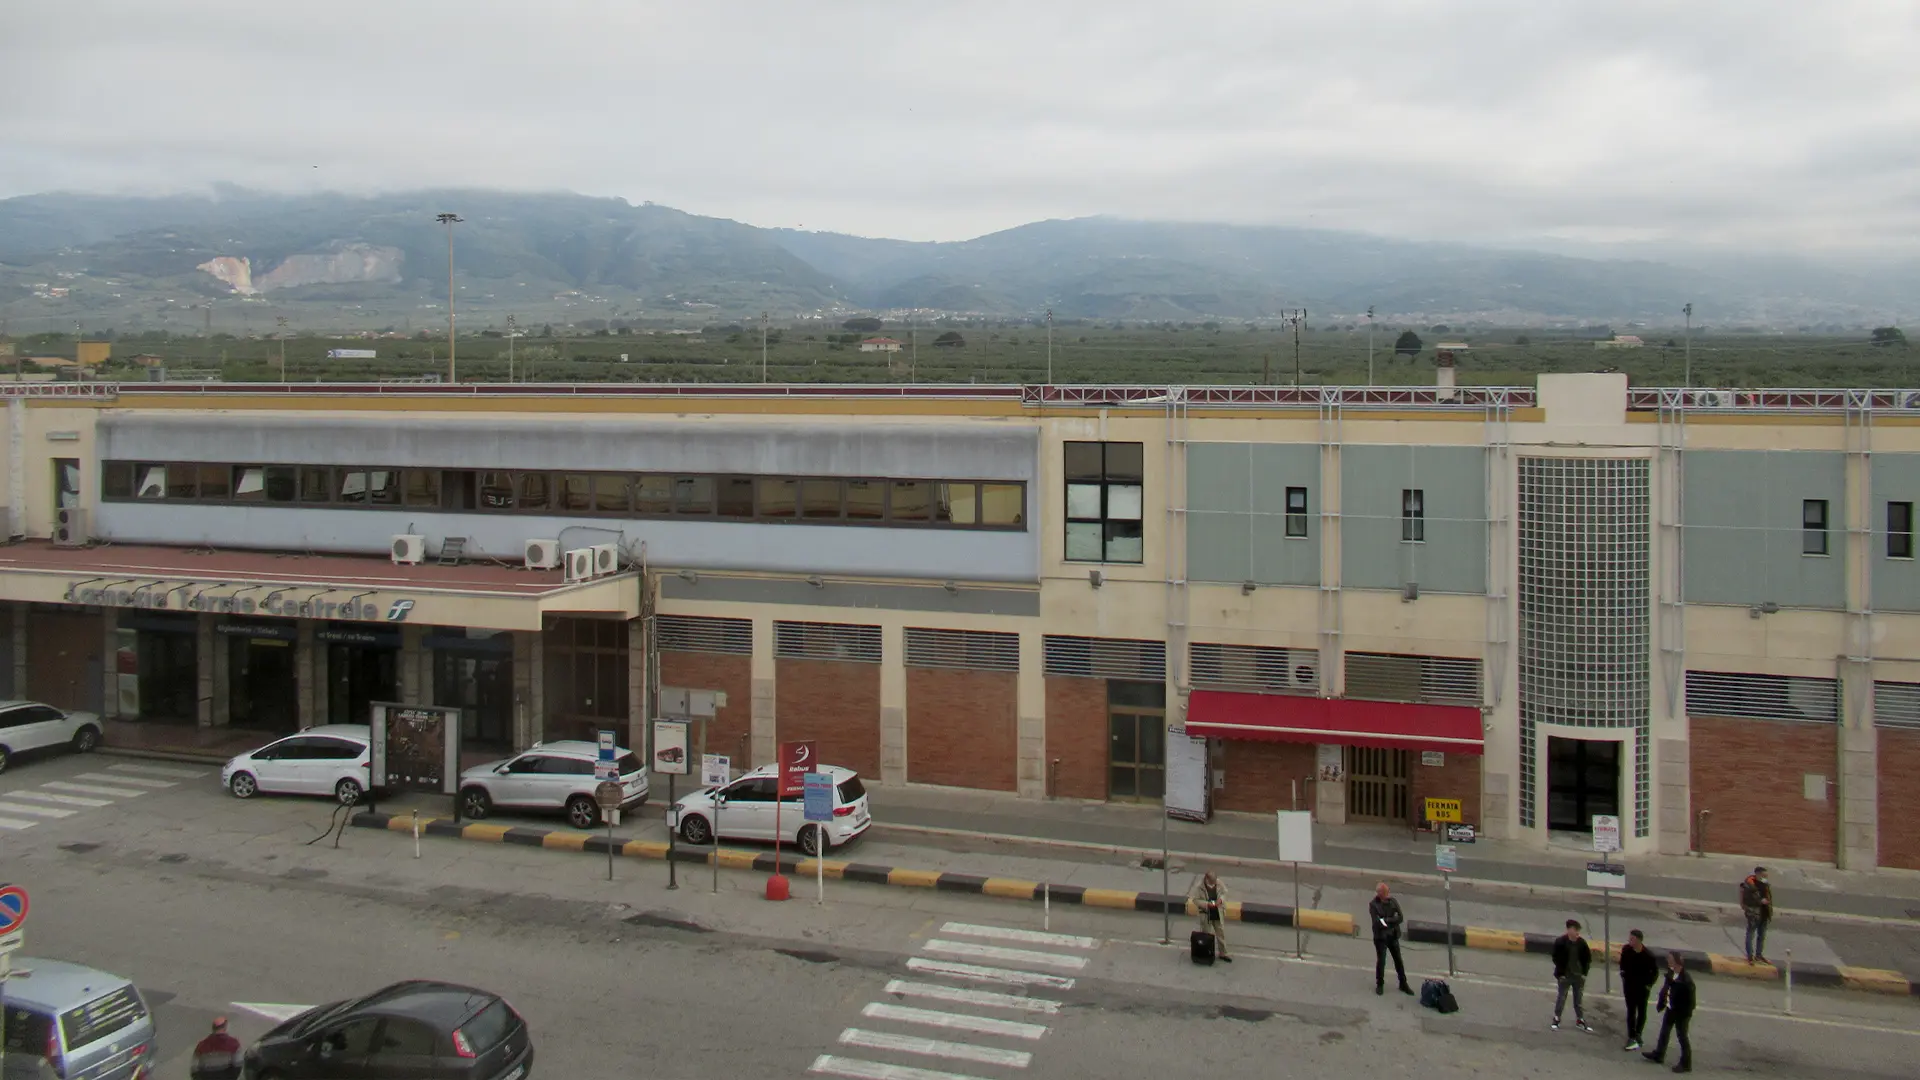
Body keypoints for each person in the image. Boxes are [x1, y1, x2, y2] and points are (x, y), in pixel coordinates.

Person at [1644, 951, 1697, 1073]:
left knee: (1682, 1036)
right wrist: (1662, 1001)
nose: (1668, 961)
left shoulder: (1686, 980)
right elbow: (1667, 988)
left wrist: (1684, 1014)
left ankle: (1686, 1063)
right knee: (1664, 1032)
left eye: (1670, 959)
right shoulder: (1671, 973)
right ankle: (1659, 1054)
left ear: (1677, 962)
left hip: (1681, 1013)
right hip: (1671, 1008)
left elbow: (1691, 1002)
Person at [1367, 882, 1414, 996]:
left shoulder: (1393, 901)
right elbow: (1378, 923)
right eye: (1385, 892)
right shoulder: (1374, 905)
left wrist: (1387, 920)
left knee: (1398, 960)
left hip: (1393, 936)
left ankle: (1403, 983)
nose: (1388, 894)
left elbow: (1400, 917)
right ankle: (1380, 984)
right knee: (1381, 961)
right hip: (1381, 938)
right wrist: (1391, 921)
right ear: (1380, 894)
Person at [1619, 929, 1659, 1051]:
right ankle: (1631, 1036)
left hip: (1642, 988)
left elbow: (1655, 973)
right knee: (1631, 1011)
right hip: (1629, 986)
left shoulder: (1648, 956)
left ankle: (1638, 1033)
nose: (1629, 941)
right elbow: (1622, 964)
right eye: (1630, 938)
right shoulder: (1626, 950)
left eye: (1632, 939)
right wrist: (1623, 974)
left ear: (1639, 941)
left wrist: (1649, 985)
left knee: (1642, 1011)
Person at [1550, 918, 1593, 1032]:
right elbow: (1555, 958)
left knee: (1578, 1000)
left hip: (1578, 976)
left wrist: (1584, 974)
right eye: (1575, 930)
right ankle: (1557, 1018)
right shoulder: (1561, 942)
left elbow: (1587, 959)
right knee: (1561, 998)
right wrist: (1560, 974)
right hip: (1565, 976)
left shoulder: (1581, 943)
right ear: (1569, 930)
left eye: (1578, 930)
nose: (1577, 933)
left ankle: (1580, 1019)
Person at [1188, 871, 1232, 962]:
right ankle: (1206, 952)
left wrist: (1220, 900)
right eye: (1211, 883)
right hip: (1206, 913)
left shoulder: (1219, 883)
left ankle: (1223, 953)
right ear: (1206, 879)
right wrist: (1207, 904)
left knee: (1220, 933)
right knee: (1206, 934)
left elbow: (1225, 893)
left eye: (1214, 882)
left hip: (1217, 911)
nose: (1213, 884)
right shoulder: (1199, 887)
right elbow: (1195, 900)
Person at [1740, 865, 1773, 965]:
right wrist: (1760, 901)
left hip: (1764, 913)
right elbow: (1747, 899)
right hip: (1754, 913)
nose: (1765, 878)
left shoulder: (1765, 884)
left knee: (1761, 936)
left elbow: (1768, 896)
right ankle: (1750, 956)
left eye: (1766, 876)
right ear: (1758, 874)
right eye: (1764, 876)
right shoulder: (1749, 884)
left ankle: (1759, 955)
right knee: (1750, 934)